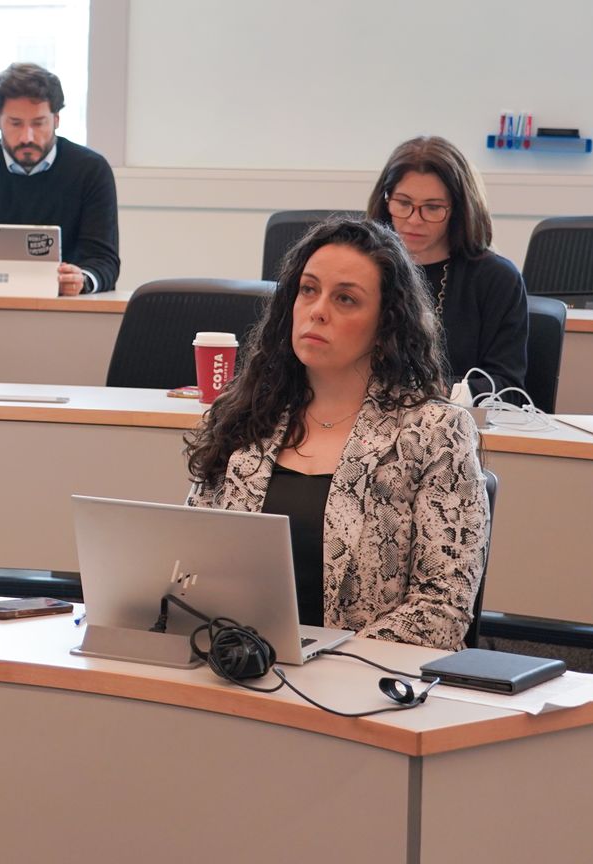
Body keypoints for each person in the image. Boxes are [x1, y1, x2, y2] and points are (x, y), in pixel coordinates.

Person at [184, 216, 489, 651]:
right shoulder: (243, 414)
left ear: (386, 325)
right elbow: (188, 564)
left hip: (368, 685)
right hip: (240, 666)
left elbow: (444, 609)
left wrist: (322, 658)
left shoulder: (435, 432)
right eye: (308, 290)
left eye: (345, 299)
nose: (318, 310)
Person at [0, 61, 120, 294]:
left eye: (39, 123)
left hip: (66, 308)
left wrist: (83, 281)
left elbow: (104, 261)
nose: (27, 136)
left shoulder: (91, 170)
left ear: (56, 119)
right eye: (15, 123)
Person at [364, 135, 529, 396]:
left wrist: (437, 390)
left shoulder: (496, 279)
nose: (415, 220)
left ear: (459, 210)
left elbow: (507, 387)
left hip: (455, 426)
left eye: (432, 207)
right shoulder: (363, 267)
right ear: (386, 200)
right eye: (403, 203)